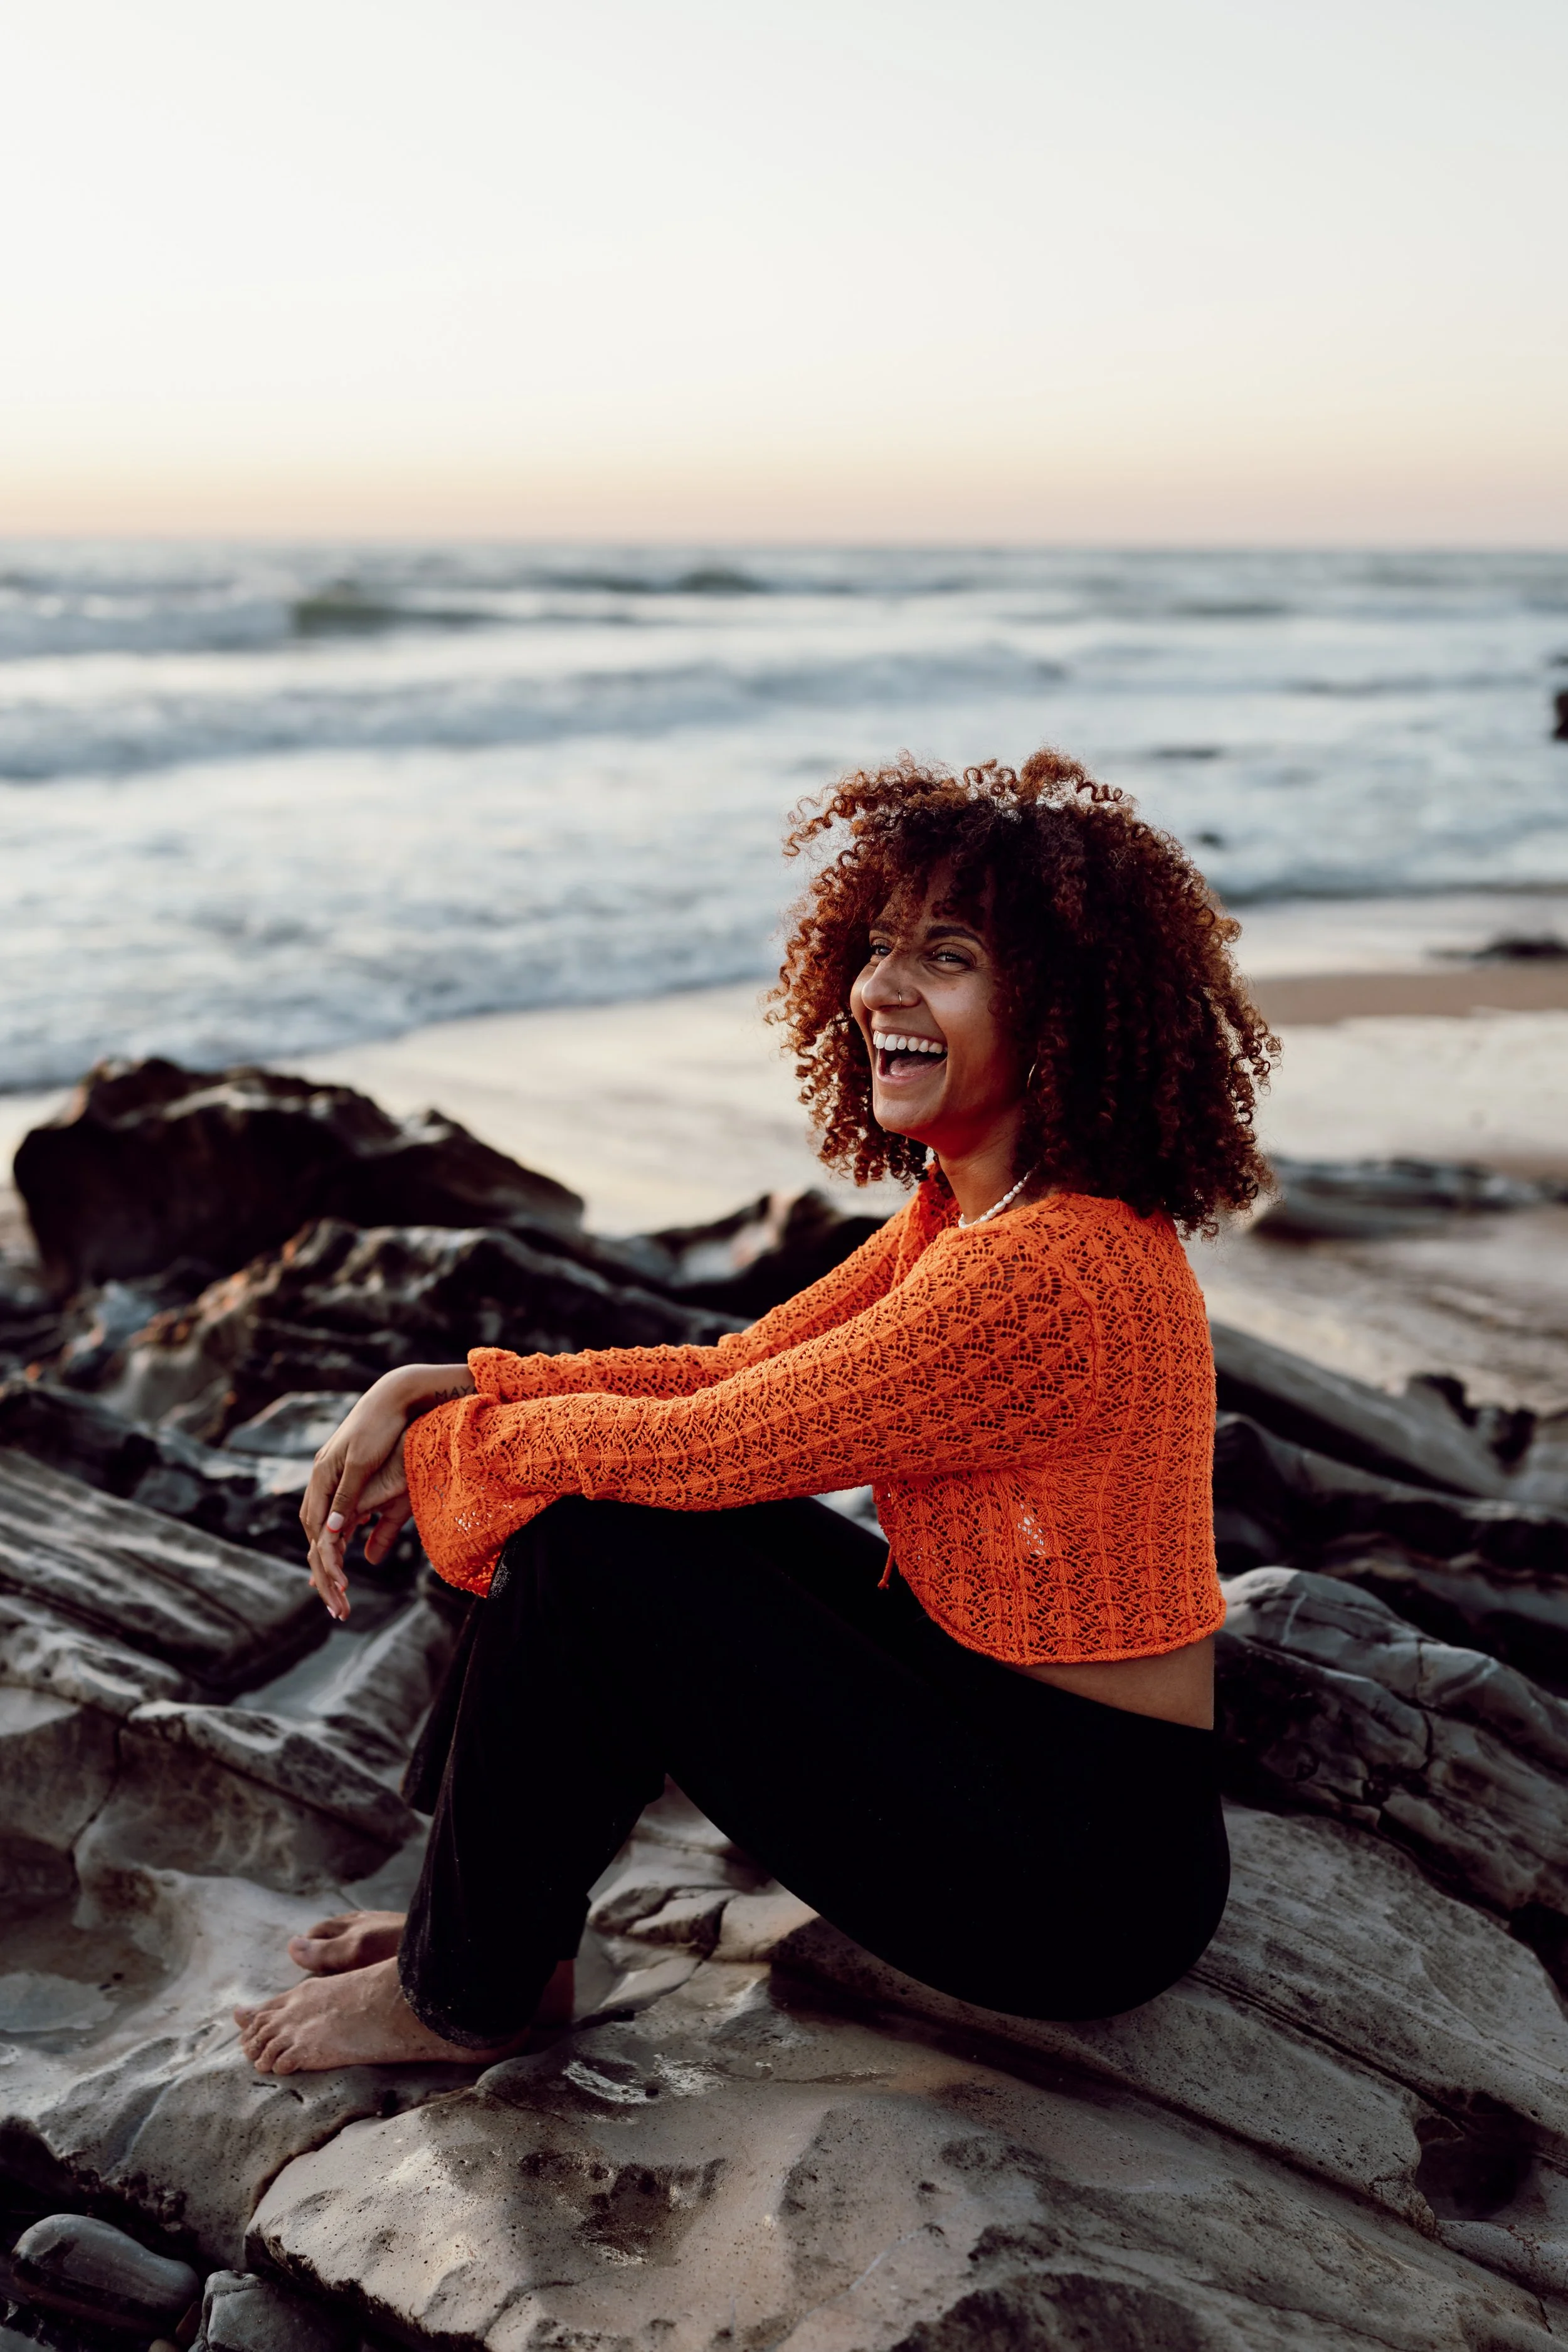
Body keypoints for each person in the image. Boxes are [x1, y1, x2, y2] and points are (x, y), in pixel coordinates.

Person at [235, 749, 1275, 2075]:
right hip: (1014, 1747)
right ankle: (491, 1936)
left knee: (597, 1542)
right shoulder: (974, 1217)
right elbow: (734, 1373)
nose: (883, 988)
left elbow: (707, 1450)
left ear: (1061, 1011)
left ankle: (466, 1989)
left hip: (1072, 1884)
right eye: (880, 945)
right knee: (590, 1525)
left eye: (945, 957)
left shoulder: (1045, 1271)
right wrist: (450, 1386)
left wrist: (451, 1449)